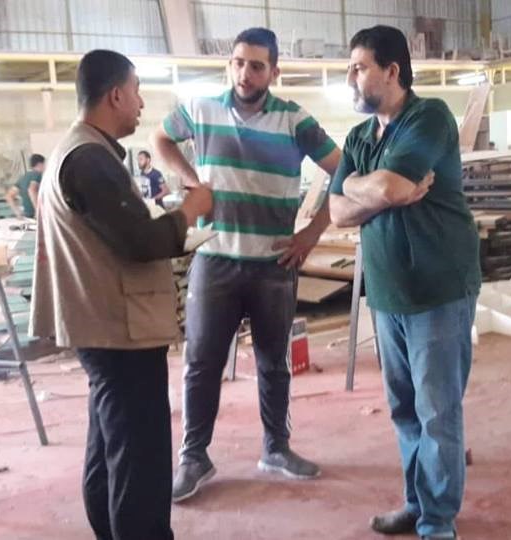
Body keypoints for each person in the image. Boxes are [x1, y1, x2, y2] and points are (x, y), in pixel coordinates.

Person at [152, 27, 341, 503]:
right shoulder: (200, 110)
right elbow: (161, 138)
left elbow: (343, 169)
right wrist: (193, 181)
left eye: (257, 66)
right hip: (215, 260)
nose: (245, 73)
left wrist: (312, 233)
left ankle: (276, 448)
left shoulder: (295, 120)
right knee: (201, 363)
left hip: (274, 265)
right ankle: (194, 457)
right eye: (238, 62)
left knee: (274, 363)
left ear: (274, 72)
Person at [30, 49, 213, 540]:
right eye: (136, 91)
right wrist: (190, 209)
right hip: (118, 331)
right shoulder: (89, 158)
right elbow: (142, 241)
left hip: (103, 327)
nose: (140, 102)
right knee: (140, 459)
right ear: (115, 95)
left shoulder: (81, 151)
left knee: (111, 449)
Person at [328, 26, 481, 540]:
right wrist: (369, 188)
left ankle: (437, 523)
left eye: (359, 68)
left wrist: (372, 189)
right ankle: (417, 504)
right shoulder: (358, 138)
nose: (351, 79)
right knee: (405, 409)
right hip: (388, 293)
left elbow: (391, 185)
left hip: (438, 290)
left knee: (437, 412)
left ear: (392, 71)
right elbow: (337, 212)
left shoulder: (428, 117)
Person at [6, 154, 45, 218]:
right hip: (36, 215)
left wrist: (17, 212)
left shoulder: (23, 177)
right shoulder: (38, 174)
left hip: (26, 215)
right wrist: (38, 211)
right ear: (40, 164)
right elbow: (32, 190)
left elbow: (9, 196)